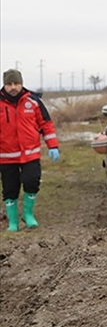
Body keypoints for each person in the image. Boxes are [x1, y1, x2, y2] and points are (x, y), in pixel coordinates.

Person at [1, 68, 60, 232]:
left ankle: (28, 214)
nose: (13, 87)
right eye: (9, 84)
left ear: (22, 84)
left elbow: (46, 124)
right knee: (10, 189)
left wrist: (53, 146)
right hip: (6, 156)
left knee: (32, 181)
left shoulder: (33, 101)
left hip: (30, 153)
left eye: (16, 83)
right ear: (4, 85)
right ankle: (13, 222)